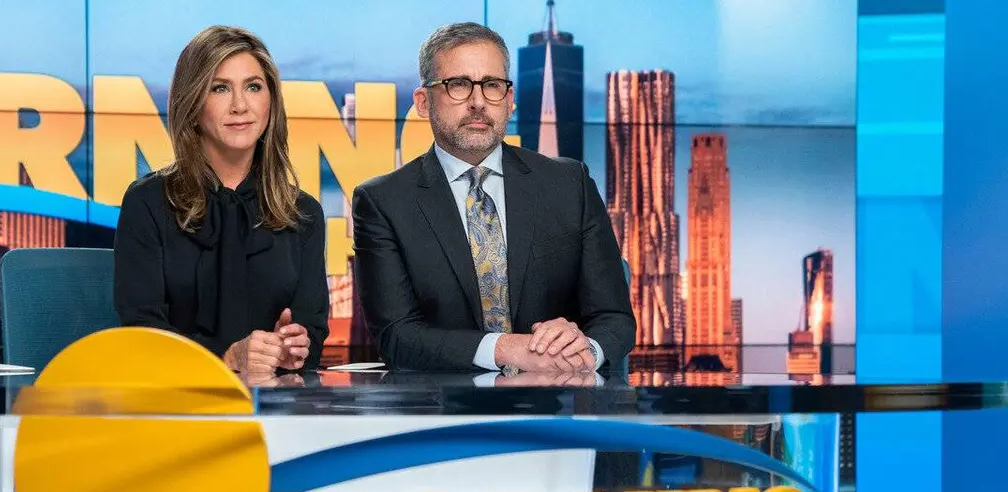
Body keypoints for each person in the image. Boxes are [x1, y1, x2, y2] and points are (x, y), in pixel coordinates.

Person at [352, 22, 635, 373]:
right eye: (458, 85)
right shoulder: (382, 201)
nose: (478, 102)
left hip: (559, 397)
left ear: (510, 101)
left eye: (492, 85)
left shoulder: (569, 184)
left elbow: (614, 317)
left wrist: (585, 350)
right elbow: (397, 336)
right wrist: (505, 349)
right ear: (423, 102)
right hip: (442, 402)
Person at [114, 26, 329, 374]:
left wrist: (294, 349)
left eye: (253, 87)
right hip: (177, 396)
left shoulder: (303, 213)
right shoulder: (148, 202)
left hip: (274, 398)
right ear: (192, 102)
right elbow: (142, 333)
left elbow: (312, 333)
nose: (240, 106)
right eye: (220, 88)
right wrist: (227, 358)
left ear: (271, 102)